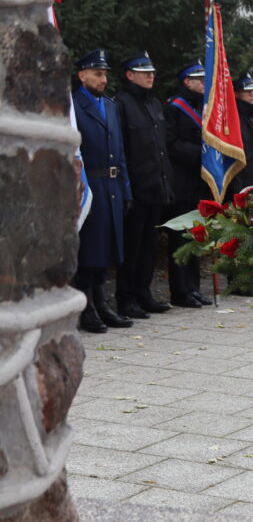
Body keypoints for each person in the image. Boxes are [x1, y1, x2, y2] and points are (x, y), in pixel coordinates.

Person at [71, 49, 134, 332]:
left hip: (111, 185)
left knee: (106, 248)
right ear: (82, 75)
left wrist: (125, 188)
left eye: (105, 74)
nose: (103, 79)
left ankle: (102, 302)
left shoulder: (110, 106)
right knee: (89, 251)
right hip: (89, 184)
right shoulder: (72, 107)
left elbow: (119, 152)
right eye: (98, 74)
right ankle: (88, 308)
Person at [115, 51, 174, 319]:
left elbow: (160, 149)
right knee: (132, 246)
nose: (151, 75)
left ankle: (143, 293)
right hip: (136, 188)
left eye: (151, 71)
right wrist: (127, 187)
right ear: (129, 75)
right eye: (143, 72)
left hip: (155, 186)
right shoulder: (122, 104)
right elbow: (122, 149)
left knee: (149, 245)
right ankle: (126, 298)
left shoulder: (154, 104)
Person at [165, 61, 213, 309]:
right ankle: (180, 290)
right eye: (199, 80)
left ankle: (193, 288)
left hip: (199, 183)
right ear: (187, 82)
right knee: (180, 239)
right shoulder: (175, 108)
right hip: (181, 182)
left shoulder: (202, 107)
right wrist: (200, 153)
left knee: (195, 237)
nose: (204, 84)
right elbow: (171, 144)